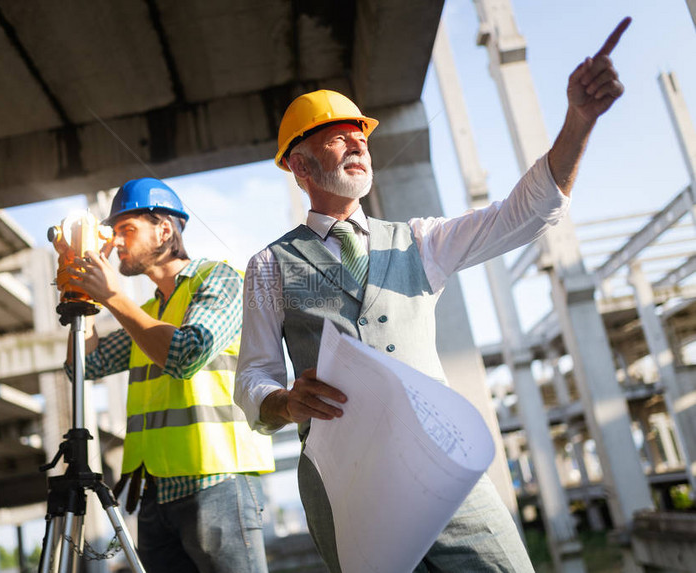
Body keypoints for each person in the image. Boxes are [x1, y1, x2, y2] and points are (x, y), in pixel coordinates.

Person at [234, 18, 631, 573]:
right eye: (338, 134)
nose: (358, 142)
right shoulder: (269, 266)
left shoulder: (419, 241)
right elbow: (252, 378)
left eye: (361, 133)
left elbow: (526, 214)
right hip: (345, 488)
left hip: (444, 471)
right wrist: (283, 402)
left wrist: (579, 123)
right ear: (300, 166)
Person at [66, 177, 274, 573]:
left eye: (127, 229)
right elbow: (84, 365)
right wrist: (84, 298)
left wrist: (113, 297)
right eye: (114, 232)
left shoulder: (220, 279)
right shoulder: (145, 311)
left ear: (165, 230)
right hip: (155, 493)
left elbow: (185, 354)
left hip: (216, 484)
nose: (118, 242)